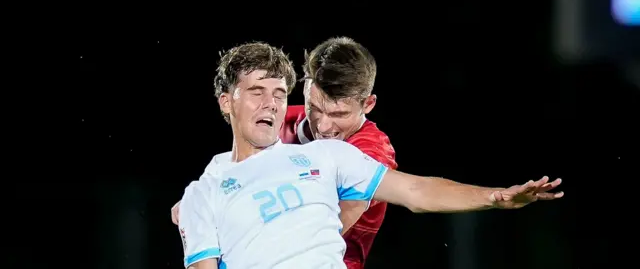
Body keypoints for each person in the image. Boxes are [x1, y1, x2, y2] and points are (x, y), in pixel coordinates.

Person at [177, 42, 563, 268]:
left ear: (367, 105)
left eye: (278, 93)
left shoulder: (340, 155)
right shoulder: (205, 190)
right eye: (258, 92)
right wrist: (194, 213)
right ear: (226, 103)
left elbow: (417, 192)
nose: (326, 127)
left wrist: (492, 196)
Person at [173, 37, 397, 269]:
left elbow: (330, 225)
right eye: (316, 109)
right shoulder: (280, 118)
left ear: (368, 105)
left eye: (339, 114)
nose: (323, 126)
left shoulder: (373, 148)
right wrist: (198, 201)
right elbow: (235, 165)